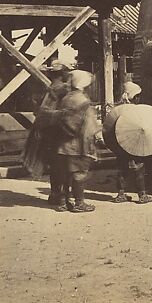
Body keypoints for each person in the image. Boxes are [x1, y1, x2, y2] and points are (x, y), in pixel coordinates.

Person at [21, 60, 72, 210]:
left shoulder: (49, 88)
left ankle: (55, 193)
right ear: (63, 73)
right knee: (63, 164)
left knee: (54, 164)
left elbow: (39, 109)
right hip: (59, 130)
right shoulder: (64, 89)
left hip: (47, 130)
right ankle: (63, 196)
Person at [55, 69, 100, 213]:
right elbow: (89, 128)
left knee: (64, 174)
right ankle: (79, 203)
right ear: (84, 85)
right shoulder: (84, 101)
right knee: (79, 173)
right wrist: (93, 145)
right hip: (78, 145)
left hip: (62, 144)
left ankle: (63, 202)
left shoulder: (65, 99)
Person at [101, 81, 152, 204]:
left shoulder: (118, 110)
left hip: (120, 145)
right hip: (135, 144)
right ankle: (142, 195)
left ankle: (121, 194)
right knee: (139, 169)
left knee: (122, 169)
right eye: (138, 95)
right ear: (135, 97)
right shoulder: (136, 110)